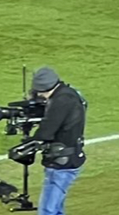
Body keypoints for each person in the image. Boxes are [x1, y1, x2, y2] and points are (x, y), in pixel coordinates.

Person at [23, 67, 86, 215]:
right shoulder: (70, 93)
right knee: (56, 209)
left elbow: (46, 132)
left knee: (48, 211)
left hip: (62, 163)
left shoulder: (61, 101)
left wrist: (26, 145)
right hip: (68, 158)